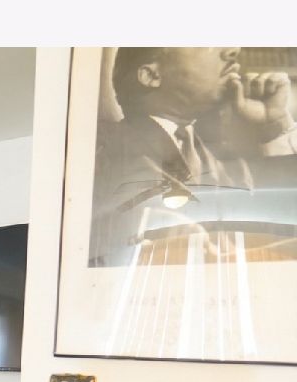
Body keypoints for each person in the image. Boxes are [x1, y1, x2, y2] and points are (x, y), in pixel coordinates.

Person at [89, 47, 297, 266]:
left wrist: (275, 125)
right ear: (151, 75)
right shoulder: (104, 152)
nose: (232, 50)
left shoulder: (219, 159)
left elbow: (278, 221)